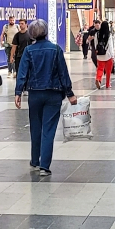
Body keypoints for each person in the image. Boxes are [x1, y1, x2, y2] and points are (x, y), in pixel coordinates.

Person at [15, 20, 77, 176]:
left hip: (34, 94)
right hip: (53, 94)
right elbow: (63, 73)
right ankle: (44, 166)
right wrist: (69, 93)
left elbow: (22, 73)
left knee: (35, 128)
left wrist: (18, 93)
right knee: (48, 130)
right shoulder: (56, 49)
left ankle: (35, 161)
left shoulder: (29, 51)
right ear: (47, 31)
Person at [94, 23, 115, 89]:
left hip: (100, 55)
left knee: (100, 69)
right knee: (108, 71)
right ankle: (108, 84)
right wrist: (113, 56)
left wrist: (97, 51)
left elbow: (95, 44)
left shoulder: (97, 34)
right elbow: (111, 46)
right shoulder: (109, 35)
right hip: (108, 55)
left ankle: (98, 79)